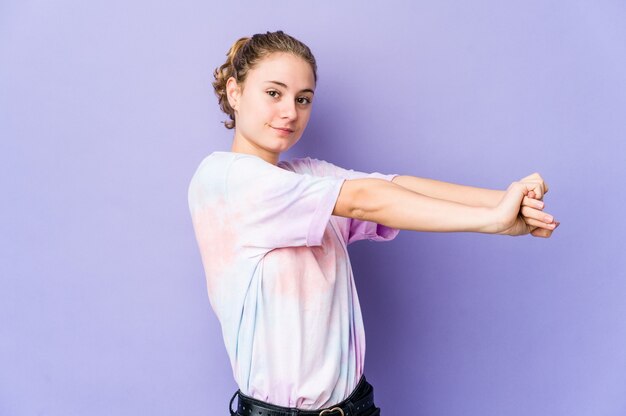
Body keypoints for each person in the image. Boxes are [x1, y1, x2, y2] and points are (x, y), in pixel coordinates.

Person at [187, 30, 559, 416]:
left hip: (357, 406)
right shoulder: (226, 180)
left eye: (303, 100)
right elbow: (366, 201)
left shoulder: (305, 175)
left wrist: (505, 202)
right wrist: (491, 220)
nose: (290, 112)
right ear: (235, 92)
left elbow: (391, 186)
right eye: (273, 93)